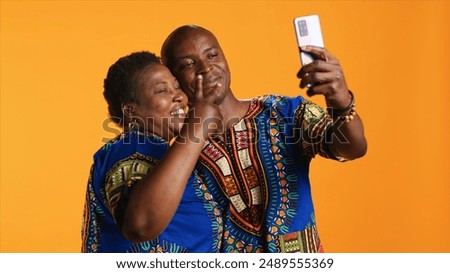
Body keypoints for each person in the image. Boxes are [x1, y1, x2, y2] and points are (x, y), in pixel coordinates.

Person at [161, 25, 367, 252]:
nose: (206, 68)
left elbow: (352, 148)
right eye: (188, 64)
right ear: (174, 80)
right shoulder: (180, 156)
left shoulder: (283, 112)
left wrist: (342, 103)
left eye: (212, 55)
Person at [81, 51, 224, 252]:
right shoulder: (133, 145)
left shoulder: (167, 153)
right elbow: (140, 224)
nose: (179, 97)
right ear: (131, 111)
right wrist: (197, 131)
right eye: (161, 91)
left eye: (176, 87)